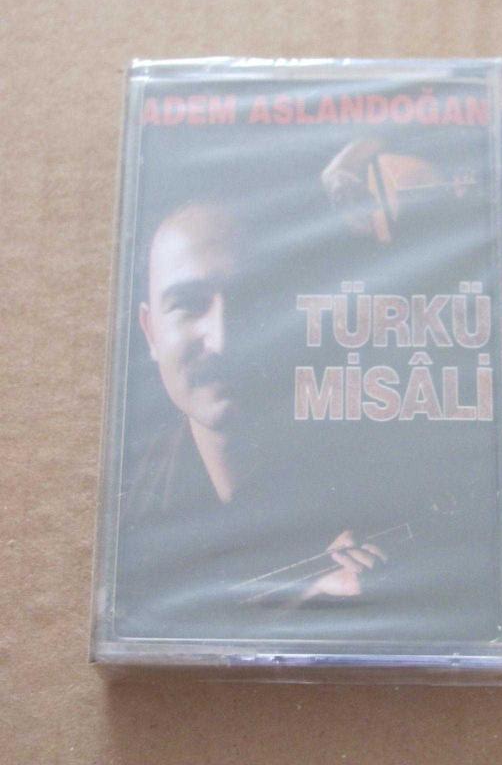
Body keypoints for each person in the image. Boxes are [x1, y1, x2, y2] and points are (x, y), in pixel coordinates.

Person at [115, 198, 388, 638]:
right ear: (149, 332)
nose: (221, 340)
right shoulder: (125, 513)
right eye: (189, 304)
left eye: (251, 300)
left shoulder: (378, 494)